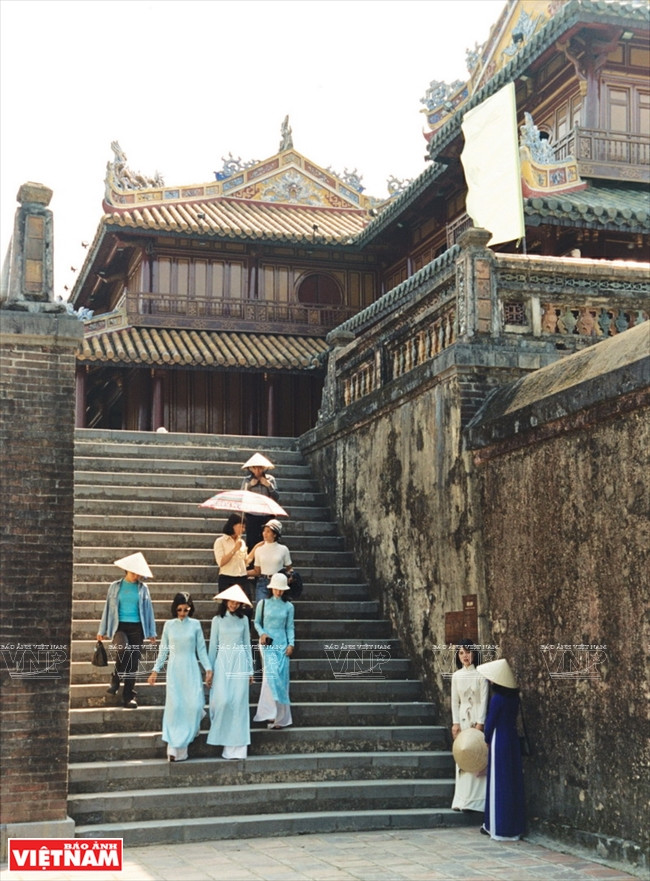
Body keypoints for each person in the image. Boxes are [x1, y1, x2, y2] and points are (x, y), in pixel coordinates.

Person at [147, 593, 212, 762]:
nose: (183, 613)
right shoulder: (169, 625)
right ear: (174, 609)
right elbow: (163, 650)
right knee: (175, 708)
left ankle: (188, 735)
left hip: (191, 668)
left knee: (195, 705)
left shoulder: (196, 625)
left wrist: (208, 669)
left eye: (186, 610)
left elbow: (201, 650)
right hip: (175, 670)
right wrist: (155, 670)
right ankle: (174, 749)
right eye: (179, 610)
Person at [97, 552, 157, 708]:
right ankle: (116, 679)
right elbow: (107, 610)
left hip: (138, 627)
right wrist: (101, 630)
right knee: (123, 650)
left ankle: (128, 696)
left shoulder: (143, 588)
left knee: (133, 663)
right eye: (133, 572)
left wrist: (151, 632)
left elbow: (148, 610)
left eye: (138, 573)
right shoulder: (115, 587)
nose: (136, 575)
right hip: (119, 626)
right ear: (126, 571)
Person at [475, 658, 526, 840]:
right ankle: (514, 826)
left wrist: (487, 738)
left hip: (499, 739)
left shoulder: (497, 699)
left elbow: (490, 723)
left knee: (498, 782)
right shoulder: (514, 698)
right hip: (511, 739)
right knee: (512, 781)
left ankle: (497, 826)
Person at [207, 584, 254, 759]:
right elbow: (213, 646)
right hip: (223, 662)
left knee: (239, 703)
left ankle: (239, 748)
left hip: (240, 661)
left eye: (237, 602)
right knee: (223, 700)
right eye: (231, 602)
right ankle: (225, 741)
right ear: (226, 601)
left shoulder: (243, 620)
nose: (234, 605)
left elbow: (247, 645)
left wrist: (250, 670)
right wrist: (209, 670)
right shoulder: (217, 620)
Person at [253, 572, 295, 729]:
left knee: (281, 678)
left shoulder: (289, 607)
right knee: (270, 677)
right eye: (276, 588)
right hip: (267, 644)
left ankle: (280, 718)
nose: (278, 592)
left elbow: (290, 627)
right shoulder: (263, 604)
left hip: (282, 644)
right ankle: (269, 714)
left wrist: (291, 644)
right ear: (271, 588)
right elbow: (257, 622)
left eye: (281, 589)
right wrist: (262, 633)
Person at [450, 639, 488, 812]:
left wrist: (480, 724)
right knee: (463, 756)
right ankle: (462, 800)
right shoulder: (456, 676)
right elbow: (454, 702)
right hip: (463, 721)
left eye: (468, 651)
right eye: (461, 653)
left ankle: (477, 802)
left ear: (474, 653)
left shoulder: (481, 674)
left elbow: (485, 701)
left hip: (476, 718)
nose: (465, 656)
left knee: (477, 756)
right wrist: (455, 723)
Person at [247, 519, 292, 603]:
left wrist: (290, 576)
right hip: (263, 582)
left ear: (275, 534)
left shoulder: (283, 549)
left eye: (268, 531)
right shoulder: (259, 549)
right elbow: (257, 571)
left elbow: (289, 568)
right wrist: (243, 572)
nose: (265, 533)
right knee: (262, 607)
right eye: (264, 531)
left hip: (278, 583)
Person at [241, 453, 279, 552]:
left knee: (267, 540)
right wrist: (250, 486)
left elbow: (276, 496)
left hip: (266, 514)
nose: (258, 471)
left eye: (260, 468)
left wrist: (268, 485)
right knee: (252, 540)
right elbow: (242, 496)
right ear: (251, 469)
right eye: (255, 468)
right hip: (252, 514)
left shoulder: (270, 479)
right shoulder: (247, 480)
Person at [213, 514, 249, 595]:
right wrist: (234, 550)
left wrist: (255, 549)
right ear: (233, 525)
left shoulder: (241, 542)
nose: (243, 530)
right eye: (241, 526)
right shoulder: (220, 541)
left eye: (244, 527)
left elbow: (245, 562)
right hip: (227, 577)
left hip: (241, 577)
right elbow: (221, 562)